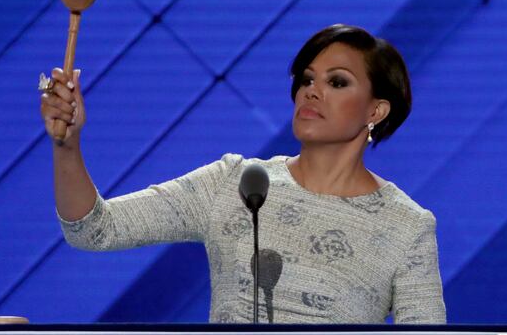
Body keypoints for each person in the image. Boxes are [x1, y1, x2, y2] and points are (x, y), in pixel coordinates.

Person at [39, 24, 446, 324]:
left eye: (337, 82)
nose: (312, 91)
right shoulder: (233, 182)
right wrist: (67, 146)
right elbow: (93, 229)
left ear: (376, 110)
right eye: (307, 79)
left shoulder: (407, 227)